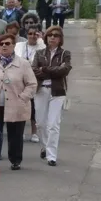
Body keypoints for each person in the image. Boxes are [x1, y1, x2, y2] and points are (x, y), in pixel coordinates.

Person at [0, 34, 38, 171]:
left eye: (7, 43)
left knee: (15, 135)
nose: (4, 46)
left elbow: (32, 84)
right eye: (1, 44)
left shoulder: (23, 64)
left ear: (13, 46)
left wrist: (23, 97)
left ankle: (15, 160)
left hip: (15, 105)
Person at [32, 26, 71, 166]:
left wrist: (45, 69)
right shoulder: (39, 53)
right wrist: (53, 71)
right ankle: (45, 146)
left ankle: (51, 155)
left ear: (60, 39)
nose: (53, 37)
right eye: (50, 35)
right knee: (40, 123)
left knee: (53, 124)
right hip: (41, 90)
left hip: (57, 91)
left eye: (56, 35)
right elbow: (34, 70)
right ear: (46, 37)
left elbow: (65, 70)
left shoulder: (65, 54)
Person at [16, 26, 45, 143]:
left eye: (35, 34)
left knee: (34, 108)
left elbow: (42, 63)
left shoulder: (42, 47)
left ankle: (34, 132)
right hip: (20, 80)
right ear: (26, 35)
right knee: (21, 107)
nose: (33, 36)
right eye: (30, 34)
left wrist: (41, 40)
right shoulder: (19, 46)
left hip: (35, 81)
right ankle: (21, 131)